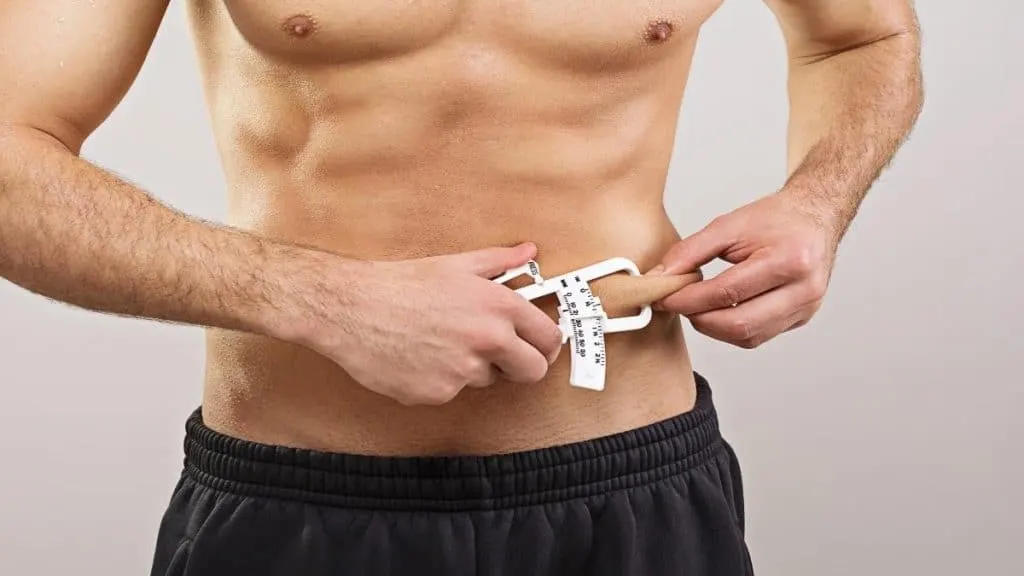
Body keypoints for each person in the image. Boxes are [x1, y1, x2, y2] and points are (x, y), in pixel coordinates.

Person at [0, 0, 922, 574]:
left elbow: (862, 34)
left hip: (630, 493)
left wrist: (816, 203)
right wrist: (321, 299)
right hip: (304, 502)